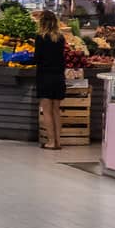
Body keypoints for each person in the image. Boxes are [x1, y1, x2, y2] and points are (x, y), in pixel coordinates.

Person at [34, 10, 66, 149]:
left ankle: (51, 142)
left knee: (46, 110)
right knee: (56, 110)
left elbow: (37, 58)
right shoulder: (61, 38)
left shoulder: (40, 38)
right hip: (59, 76)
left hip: (45, 76)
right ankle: (58, 141)